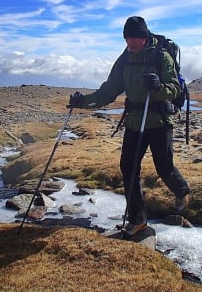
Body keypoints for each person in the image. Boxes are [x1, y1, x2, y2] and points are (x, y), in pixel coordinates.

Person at [68, 16, 190, 236]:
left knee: (163, 167)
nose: (131, 42)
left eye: (136, 37)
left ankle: (181, 190)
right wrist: (82, 101)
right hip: (135, 120)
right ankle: (138, 219)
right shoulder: (124, 60)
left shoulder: (161, 57)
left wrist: (158, 86)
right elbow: (108, 91)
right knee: (129, 168)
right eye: (128, 37)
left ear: (145, 37)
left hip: (159, 120)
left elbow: (174, 89)